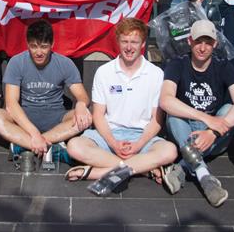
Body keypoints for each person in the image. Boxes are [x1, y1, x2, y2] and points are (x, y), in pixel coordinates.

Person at [65, 18, 181, 196]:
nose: (129, 47)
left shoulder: (156, 74)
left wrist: (138, 144)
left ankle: (99, 171)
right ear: (118, 42)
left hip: (142, 137)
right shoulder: (104, 72)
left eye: (134, 42)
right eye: (124, 41)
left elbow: (157, 120)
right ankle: (143, 169)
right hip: (108, 134)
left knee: (170, 151)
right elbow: (98, 116)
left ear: (142, 44)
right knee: (74, 146)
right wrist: (114, 143)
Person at [159, 19, 234, 207]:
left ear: (215, 44)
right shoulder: (178, 63)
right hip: (187, 128)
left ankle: (183, 166)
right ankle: (203, 174)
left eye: (208, 42)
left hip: (213, 136)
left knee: (228, 108)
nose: (202, 47)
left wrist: (212, 132)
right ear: (190, 41)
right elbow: (166, 100)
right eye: (198, 41)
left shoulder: (224, 66)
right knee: (174, 116)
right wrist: (206, 118)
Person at [0, 20, 92, 166]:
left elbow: (83, 96)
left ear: (52, 44)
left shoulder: (65, 63)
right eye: (34, 46)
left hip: (56, 118)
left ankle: (24, 145)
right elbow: (11, 104)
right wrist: (34, 133)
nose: (39, 52)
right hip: (24, 120)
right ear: (27, 43)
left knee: (87, 118)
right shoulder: (17, 62)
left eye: (44, 47)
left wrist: (81, 104)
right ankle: (50, 147)